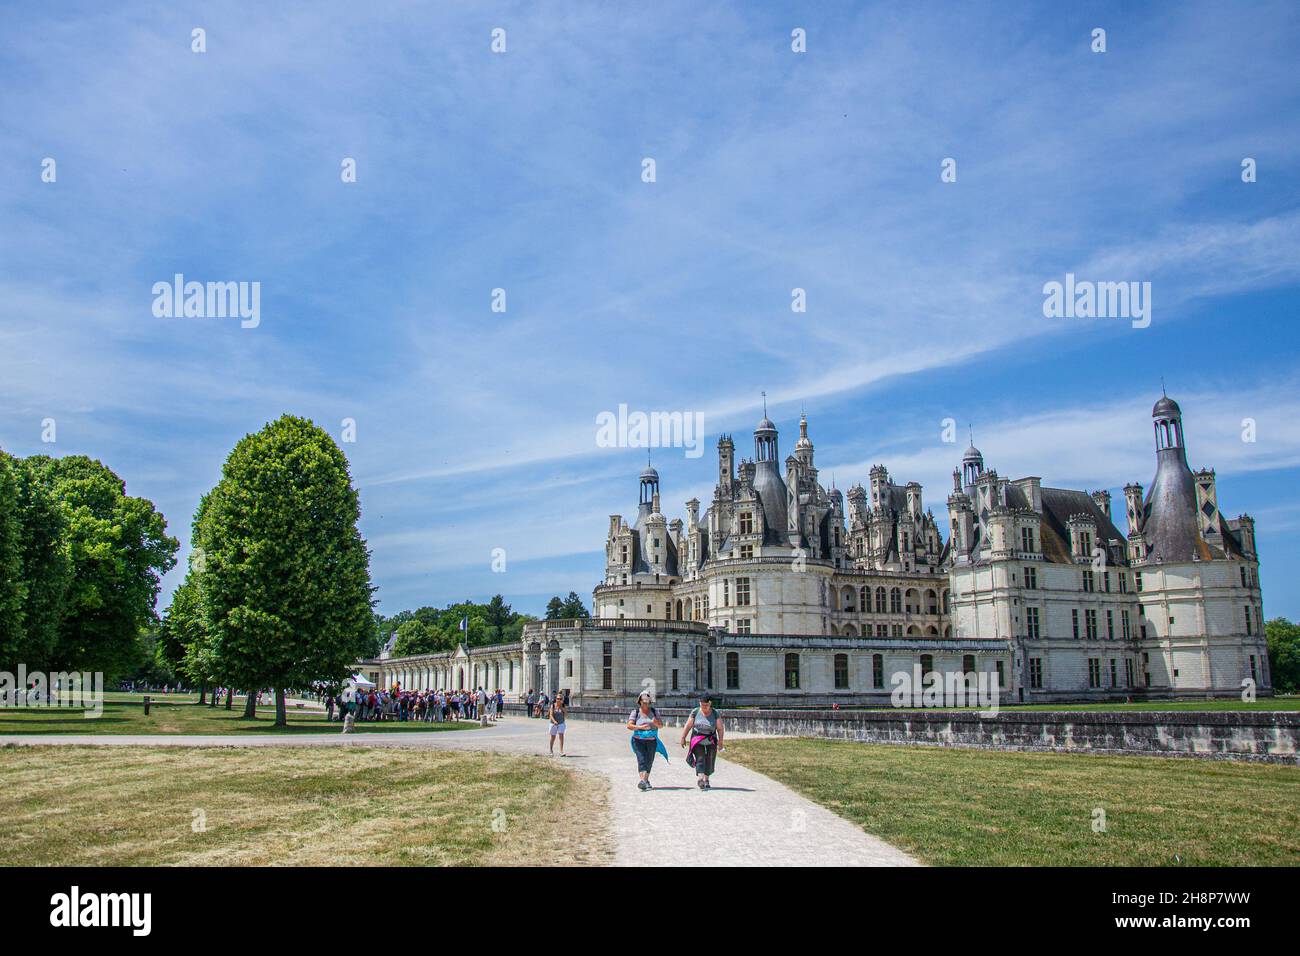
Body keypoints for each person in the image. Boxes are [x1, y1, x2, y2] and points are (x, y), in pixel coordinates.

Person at [680, 694, 725, 790]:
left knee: (710, 759)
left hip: (711, 739)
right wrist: (683, 737)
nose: (704, 707)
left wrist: (720, 741)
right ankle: (700, 780)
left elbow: (720, 729)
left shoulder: (715, 713)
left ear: (710, 704)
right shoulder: (695, 712)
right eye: (702, 705)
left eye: (706, 705)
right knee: (700, 758)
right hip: (697, 739)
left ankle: (706, 779)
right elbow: (688, 725)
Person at [626, 691, 667, 791]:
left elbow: (661, 726)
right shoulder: (635, 712)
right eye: (644, 702)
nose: (645, 704)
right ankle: (643, 781)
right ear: (640, 701)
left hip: (651, 740)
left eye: (647, 702)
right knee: (641, 760)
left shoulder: (654, 711)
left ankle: (644, 781)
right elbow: (629, 725)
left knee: (649, 760)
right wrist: (640, 727)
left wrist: (655, 722)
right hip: (638, 740)